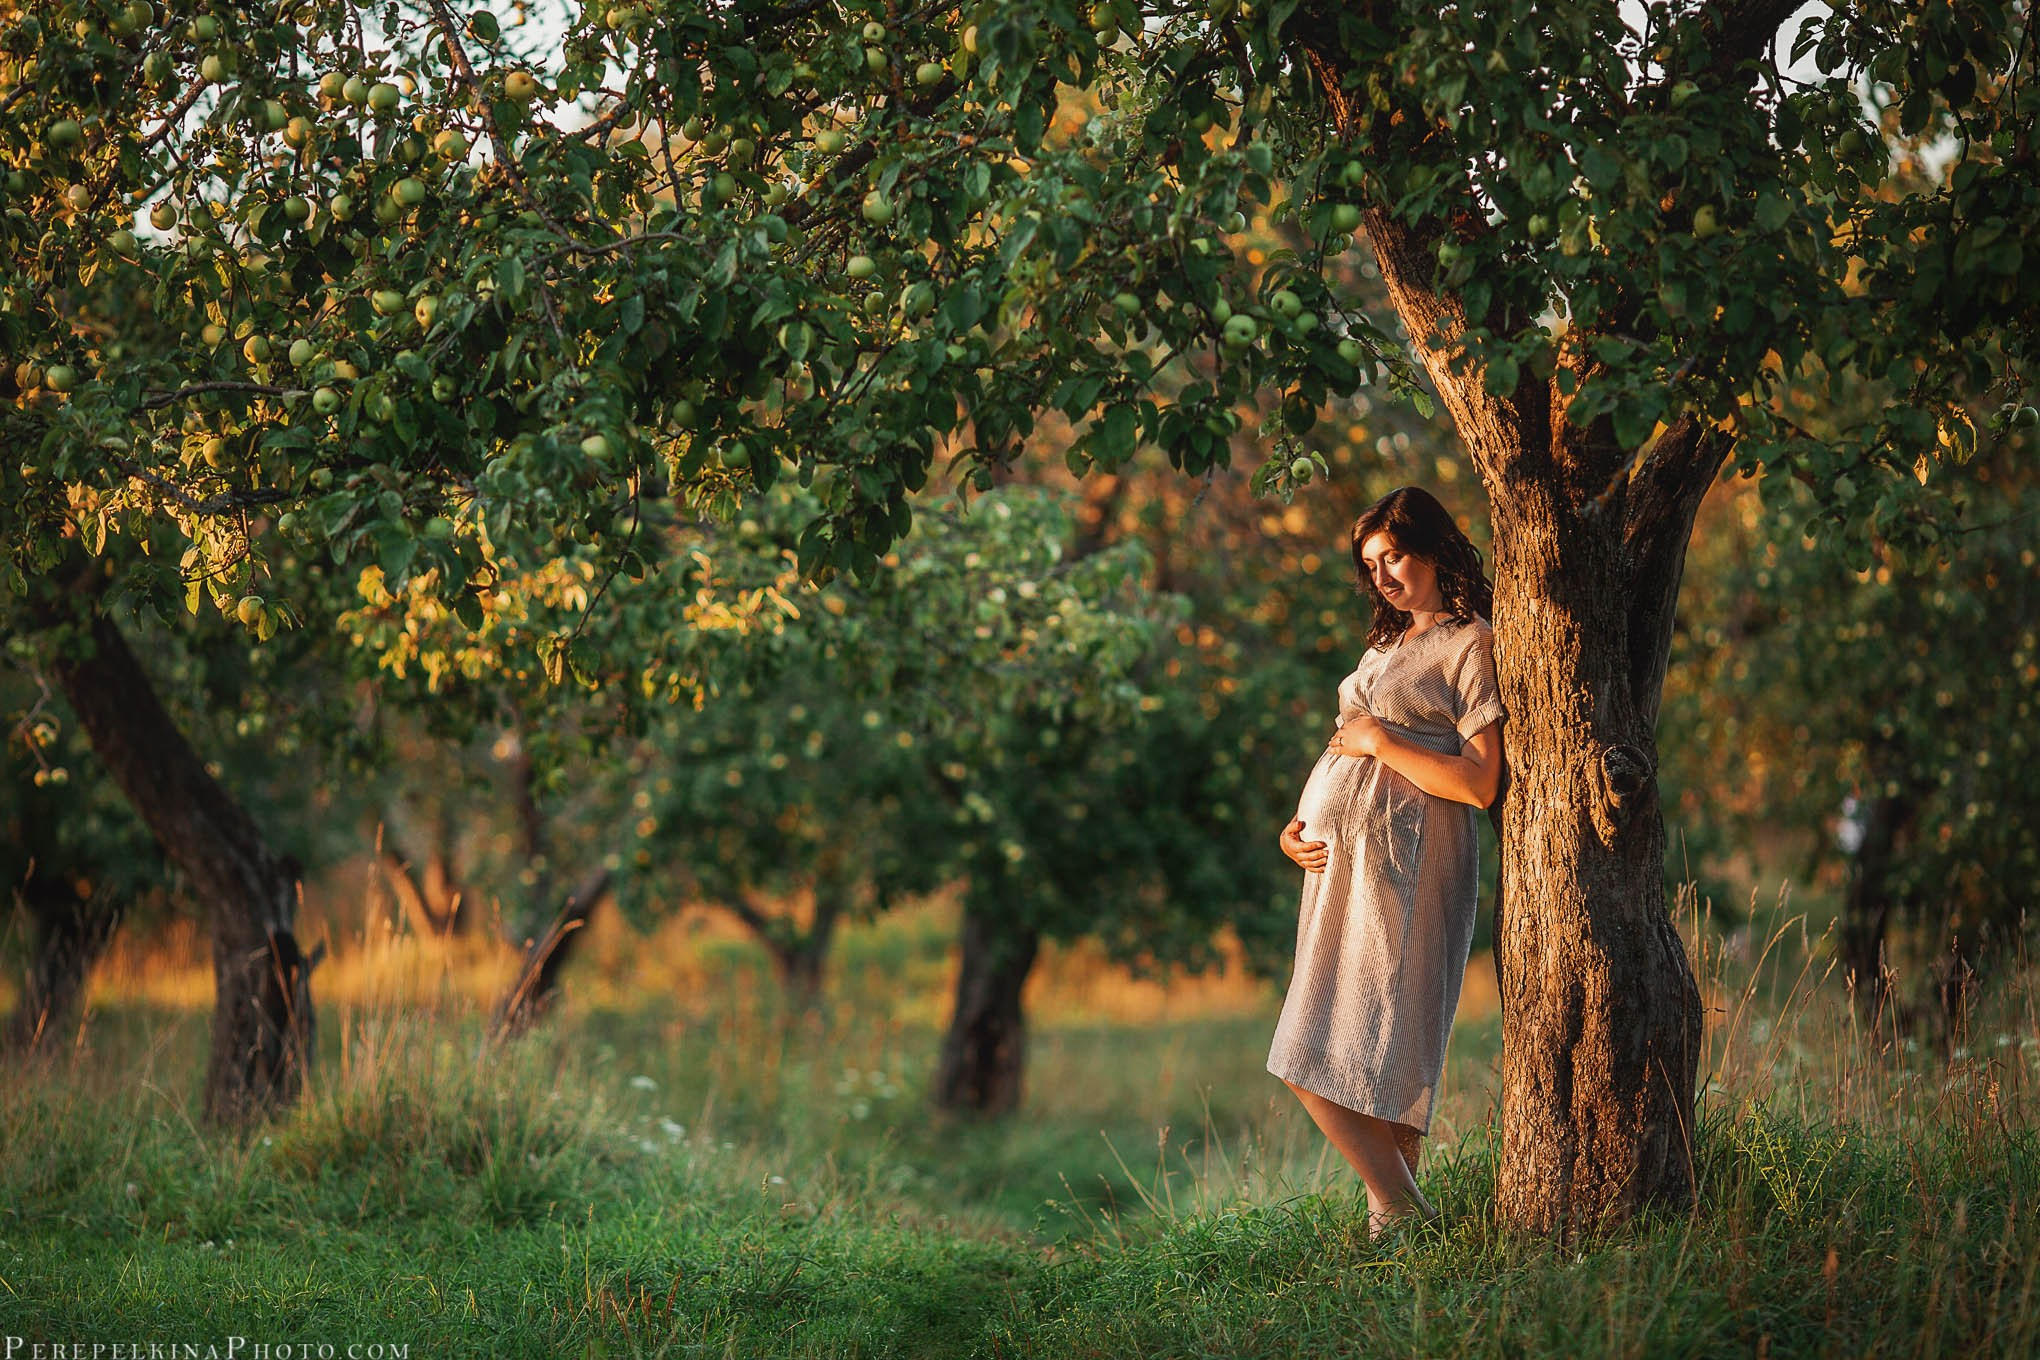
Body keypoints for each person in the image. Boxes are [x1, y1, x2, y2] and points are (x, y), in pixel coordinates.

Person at [1266, 485, 1505, 1237]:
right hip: (1342, 869)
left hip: (1407, 864)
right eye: (1371, 564)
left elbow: (1478, 781)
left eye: (1394, 555)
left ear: (1433, 548)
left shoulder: (1471, 641)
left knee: (1329, 1049)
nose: (1384, 575)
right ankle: (1392, 1235)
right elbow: (1346, 742)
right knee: (1370, 1053)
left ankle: (1405, 1213)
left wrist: (1380, 744)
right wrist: (1296, 825)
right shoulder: (1385, 645)